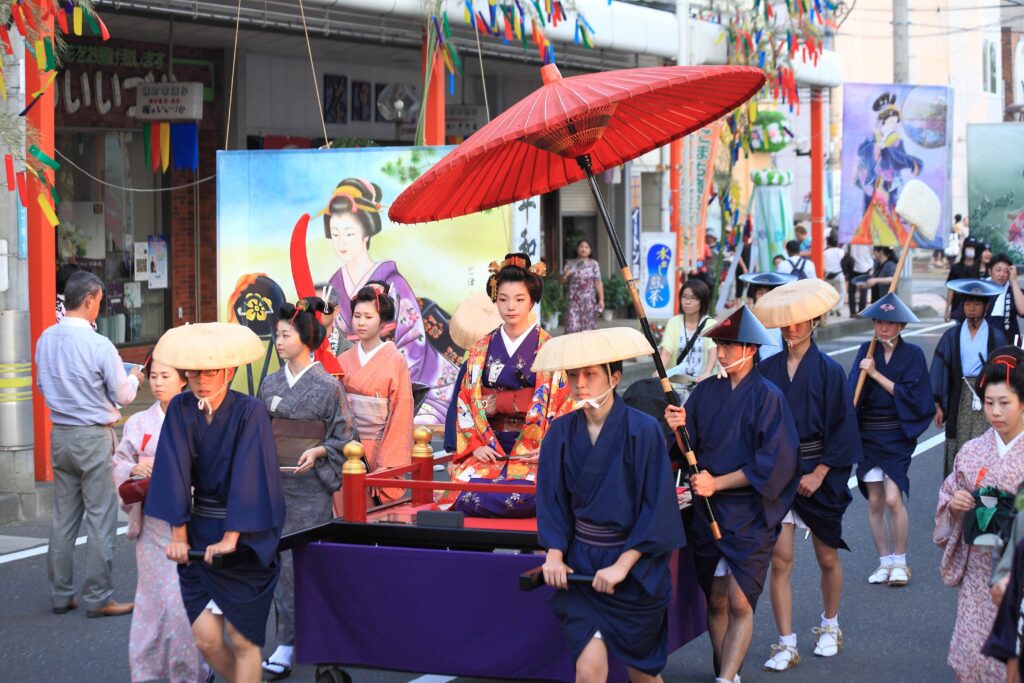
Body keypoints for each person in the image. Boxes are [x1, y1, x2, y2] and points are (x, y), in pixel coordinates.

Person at [536, 327, 685, 683]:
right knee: (589, 671)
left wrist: (623, 564)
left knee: (643, 672)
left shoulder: (644, 430)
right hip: (583, 563)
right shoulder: (559, 432)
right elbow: (552, 499)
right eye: (573, 375)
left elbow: (657, 506)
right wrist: (554, 554)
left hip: (634, 567)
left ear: (614, 378)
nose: (580, 383)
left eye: (590, 374)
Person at [145, 322, 286, 683]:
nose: (201, 379)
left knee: (242, 639)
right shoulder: (179, 408)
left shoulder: (249, 411)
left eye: (210, 371)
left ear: (229, 371)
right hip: (199, 529)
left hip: (248, 534)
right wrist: (178, 535)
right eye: (194, 371)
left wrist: (232, 537)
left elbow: (249, 476)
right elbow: (173, 469)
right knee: (206, 638)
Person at [665, 306, 799, 683]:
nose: (721, 352)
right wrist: (677, 427)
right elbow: (687, 447)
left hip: (749, 512)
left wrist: (717, 482)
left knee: (741, 599)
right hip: (707, 511)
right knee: (717, 597)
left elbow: (773, 462)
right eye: (719, 344)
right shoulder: (706, 392)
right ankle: (727, 670)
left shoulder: (769, 397)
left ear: (751, 349)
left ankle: (725, 680)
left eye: (729, 345)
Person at [753, 280, 862, 670]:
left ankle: (830, 625)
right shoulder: (765, 369)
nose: (791, 328)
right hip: (781, 475)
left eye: (799, 322)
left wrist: (820, 471)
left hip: (820, 472)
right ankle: (786, 642)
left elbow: (844, 428)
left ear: (814, 321)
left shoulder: (831, 371)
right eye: (786, 323)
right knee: (780, 560)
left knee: (826, 556)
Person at [36, 270, 145, 618]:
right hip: (93, 435)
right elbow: (123, 394)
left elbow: (41, 385)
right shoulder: (100, 345)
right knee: (99, 517)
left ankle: (61, 593)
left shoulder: (46, 339)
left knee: (64, 517)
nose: (99, 307)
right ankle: (98, 597)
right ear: (89, 300)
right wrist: (135, 377)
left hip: (61, 433)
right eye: (98, 301)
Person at [260, 298, 355, 680]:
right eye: (278, 334)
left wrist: (320, 450)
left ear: (306, 337)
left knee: (308, 564)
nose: (279, 341)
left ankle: (316, 639)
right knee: (278, 565)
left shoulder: (328, 386)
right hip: (275, 485)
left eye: (285, 334)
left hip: (312, 488)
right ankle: (286, 639)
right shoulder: (270, 383)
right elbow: (257, 433)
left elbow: (347, 438)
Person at [445, 253, 574, 512]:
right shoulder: (481, 349)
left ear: (532, 301)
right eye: (503, 300)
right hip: (487, 445)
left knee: (526, 498)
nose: (510, 307)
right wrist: (475, 446)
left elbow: (563, 407)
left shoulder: (550, 348)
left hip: (533, 450)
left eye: (519, 299)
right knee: (464, 496)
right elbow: (465, 402)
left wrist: (550, 449)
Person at [321, 178, 458, 422]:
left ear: (366, 232)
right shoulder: (334, 286)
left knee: (409, 423)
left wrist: (380, 386)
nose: (341, 242)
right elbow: (337, 345)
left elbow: (413, 344)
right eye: (335, 234)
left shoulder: (393, 282)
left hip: (420, 388)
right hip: (360, 389)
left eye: (349, 233)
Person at [112, 358, 206, 683]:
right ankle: (147, 672)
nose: (157, 382)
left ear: (183, 380)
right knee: (151, 601)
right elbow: (120, 460)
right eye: (153, 376)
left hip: (190, 521)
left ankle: (190, 671)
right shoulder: (138, 422)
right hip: (151, 523)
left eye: (166, 376)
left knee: (180, 603)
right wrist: (132, 470)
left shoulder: (200, 418)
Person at [935, 349, 1024, 683]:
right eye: (989, 403)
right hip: (978, 573)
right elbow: (945, 499)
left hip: (1019, 575)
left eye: (1005, 402)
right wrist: (954, 504)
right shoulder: (973, 451)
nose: (996, 412)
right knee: (970, 659)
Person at [850, 293, 934, 587]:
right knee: (874, 501)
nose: (883, 328)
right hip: (868, 435)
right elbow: (852, 395)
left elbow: (914, 397)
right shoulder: (865, 349)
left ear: (901, 325)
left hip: (896, 434)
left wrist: (874, 373)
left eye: (890, 323)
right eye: (879, 322)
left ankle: (901, 561)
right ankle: (884, 561)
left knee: (892, 497)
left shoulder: (913, 355)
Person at [338, 283, 414, 504]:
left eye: (368, 317)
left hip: (378, 451)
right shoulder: (343, 360)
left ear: (382, 321)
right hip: (345, 448)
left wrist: (386, 467)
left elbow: (401, 413)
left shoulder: (396, 360)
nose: (361, 322)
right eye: (357, 316)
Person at [932, 279, 1008, 478]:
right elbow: (941, 368)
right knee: (960, 442)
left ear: (985, 307)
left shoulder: (996, 335)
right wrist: (938, 404)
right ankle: (957, 494)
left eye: (976, 304)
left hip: (987, 396)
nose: (971, 309)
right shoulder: (952, 335)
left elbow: (1005, 372)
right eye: (967, 304)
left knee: (987, 442)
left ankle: (984, 495)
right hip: (961, 394)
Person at [658, 278, 717, 404]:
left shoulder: (711, 324)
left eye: (694, 298)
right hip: (676, 386)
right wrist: (660, 372)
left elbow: (713, 350)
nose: (688, 302)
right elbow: (666, 351)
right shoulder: (674, 322)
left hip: (701, 386)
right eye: (684, 297)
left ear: (703, 301)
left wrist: (707, 373)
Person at [738, 271, 796, 361]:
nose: (764, 297)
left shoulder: (787, 322)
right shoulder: (748, 322)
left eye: (769, 293)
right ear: (755, 296)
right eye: (760, 293)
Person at [561, 239, 604, 333]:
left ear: (590, 250)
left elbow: (598, 282)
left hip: (589, 301)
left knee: (588, 329)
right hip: (573, 301)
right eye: (581, 246)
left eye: (586, 247)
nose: (583, 249)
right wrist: (566, 274)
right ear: (577, 249)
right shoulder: (570, 263)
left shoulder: (593, 264)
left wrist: (601, 299)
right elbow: (561, 282)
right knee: (572, 327)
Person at [985, 254, 1024, 343]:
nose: (1002, 274)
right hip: (986, 341)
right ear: (990, 271)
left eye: (1006, 271)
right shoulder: (981, 290)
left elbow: (1022, 310)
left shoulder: (1013, 290)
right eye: (998, 270)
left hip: (1009, 343)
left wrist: (1014, 281)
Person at [946, 236, 984, 322]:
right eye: (969, 247)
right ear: (964, 248)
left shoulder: (981, 268)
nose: (971, 249)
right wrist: (947, 308)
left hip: (978, 311)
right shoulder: (956, 268)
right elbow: (951, 288)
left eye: (973, 247)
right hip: (958, 309)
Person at [846, 243, 875, 317]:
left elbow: (845, 252)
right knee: (864, 290)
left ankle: (852, 312)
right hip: (866, 267)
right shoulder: (868, 240)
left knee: (851, 291)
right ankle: (861, 312)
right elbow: (873, 253)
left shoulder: (851, 240)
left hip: (853, 267)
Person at [823, 233, 846, 317]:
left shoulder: (825, 253)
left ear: (828, 243)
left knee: (828, 294)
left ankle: (831, 309)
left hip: (828, 276)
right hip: (839, 275)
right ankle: (837, 308)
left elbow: (823, 265)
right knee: (841, 293)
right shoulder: (841, 251)